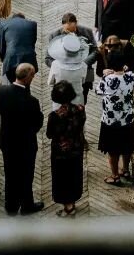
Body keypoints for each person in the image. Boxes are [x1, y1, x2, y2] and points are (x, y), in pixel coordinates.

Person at [0, 63, 45, 215]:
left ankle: (10, 206)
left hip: (7, 140)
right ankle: (26, 205)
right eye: (33, 75)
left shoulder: (1, 91)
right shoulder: (32, 101)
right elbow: (37, 124)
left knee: (10, 174)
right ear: (28, 77)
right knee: (26, 175)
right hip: (25, 144)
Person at [95, 38, 134, 185]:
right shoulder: (131, 77)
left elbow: (98, 91)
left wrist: (106, 74)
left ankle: (115, 176)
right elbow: (130, 76)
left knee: (113, 151)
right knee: (127, 147)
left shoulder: (106, 80)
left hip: (110, 121)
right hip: (127, 119)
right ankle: (125, 169)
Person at [46, 80, 87, 216]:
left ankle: (68, 207)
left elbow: (49, 134)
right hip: (76, 149)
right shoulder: (80, 109)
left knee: (62, 178)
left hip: (60, 152)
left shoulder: (54, 116)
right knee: (74, 174)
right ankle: (73, 201)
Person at [46, 11, 99, 100]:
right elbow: (48, 59)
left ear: (76, 23)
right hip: (62, 79)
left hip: (84, 76)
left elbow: (95, 50)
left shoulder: (87, 31)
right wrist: (61, 66)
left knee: (82, 101)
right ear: (63, 26)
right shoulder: (54, 36)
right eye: (67, 31)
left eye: (73, 29)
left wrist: (84, 64)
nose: (71, 33)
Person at [47, 31, 92, 107]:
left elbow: (50, 82)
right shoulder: (83, 65)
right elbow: (83, 81)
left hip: (60, 101)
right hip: (77, 101)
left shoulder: (55, 64)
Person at [0, 9, 39, 83]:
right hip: (29, 59)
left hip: (11, 59)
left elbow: (0, 46)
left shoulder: (3, 24)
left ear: (13, 18)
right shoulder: (33, 24)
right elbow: (33, 42)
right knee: (26, 82)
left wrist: (4, 59)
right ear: (24, 19)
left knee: (11, 83)